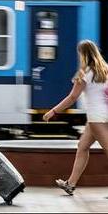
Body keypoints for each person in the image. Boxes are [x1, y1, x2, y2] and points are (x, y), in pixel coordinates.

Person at [43, 39, 108, 195]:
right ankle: (70, 184)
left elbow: (72, 98)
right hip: (102, 115)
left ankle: (71, 184)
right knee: (82, 147)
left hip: (96, 118)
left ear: (83, 55)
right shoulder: (105, 69)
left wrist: (53, 111)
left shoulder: (84, 73)